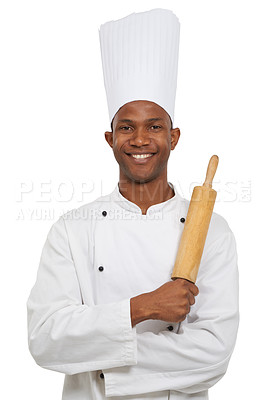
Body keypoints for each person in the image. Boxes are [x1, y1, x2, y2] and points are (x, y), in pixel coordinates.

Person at [27, 9, 239, 400]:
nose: (140, 139)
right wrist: (142, 307)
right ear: (110, 138)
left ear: (173, 137)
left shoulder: (212, 229)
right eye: (127, 127)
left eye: (154, 126)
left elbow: (214, 352)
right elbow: (44, 339)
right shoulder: (74, 229)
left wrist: (98, 359)